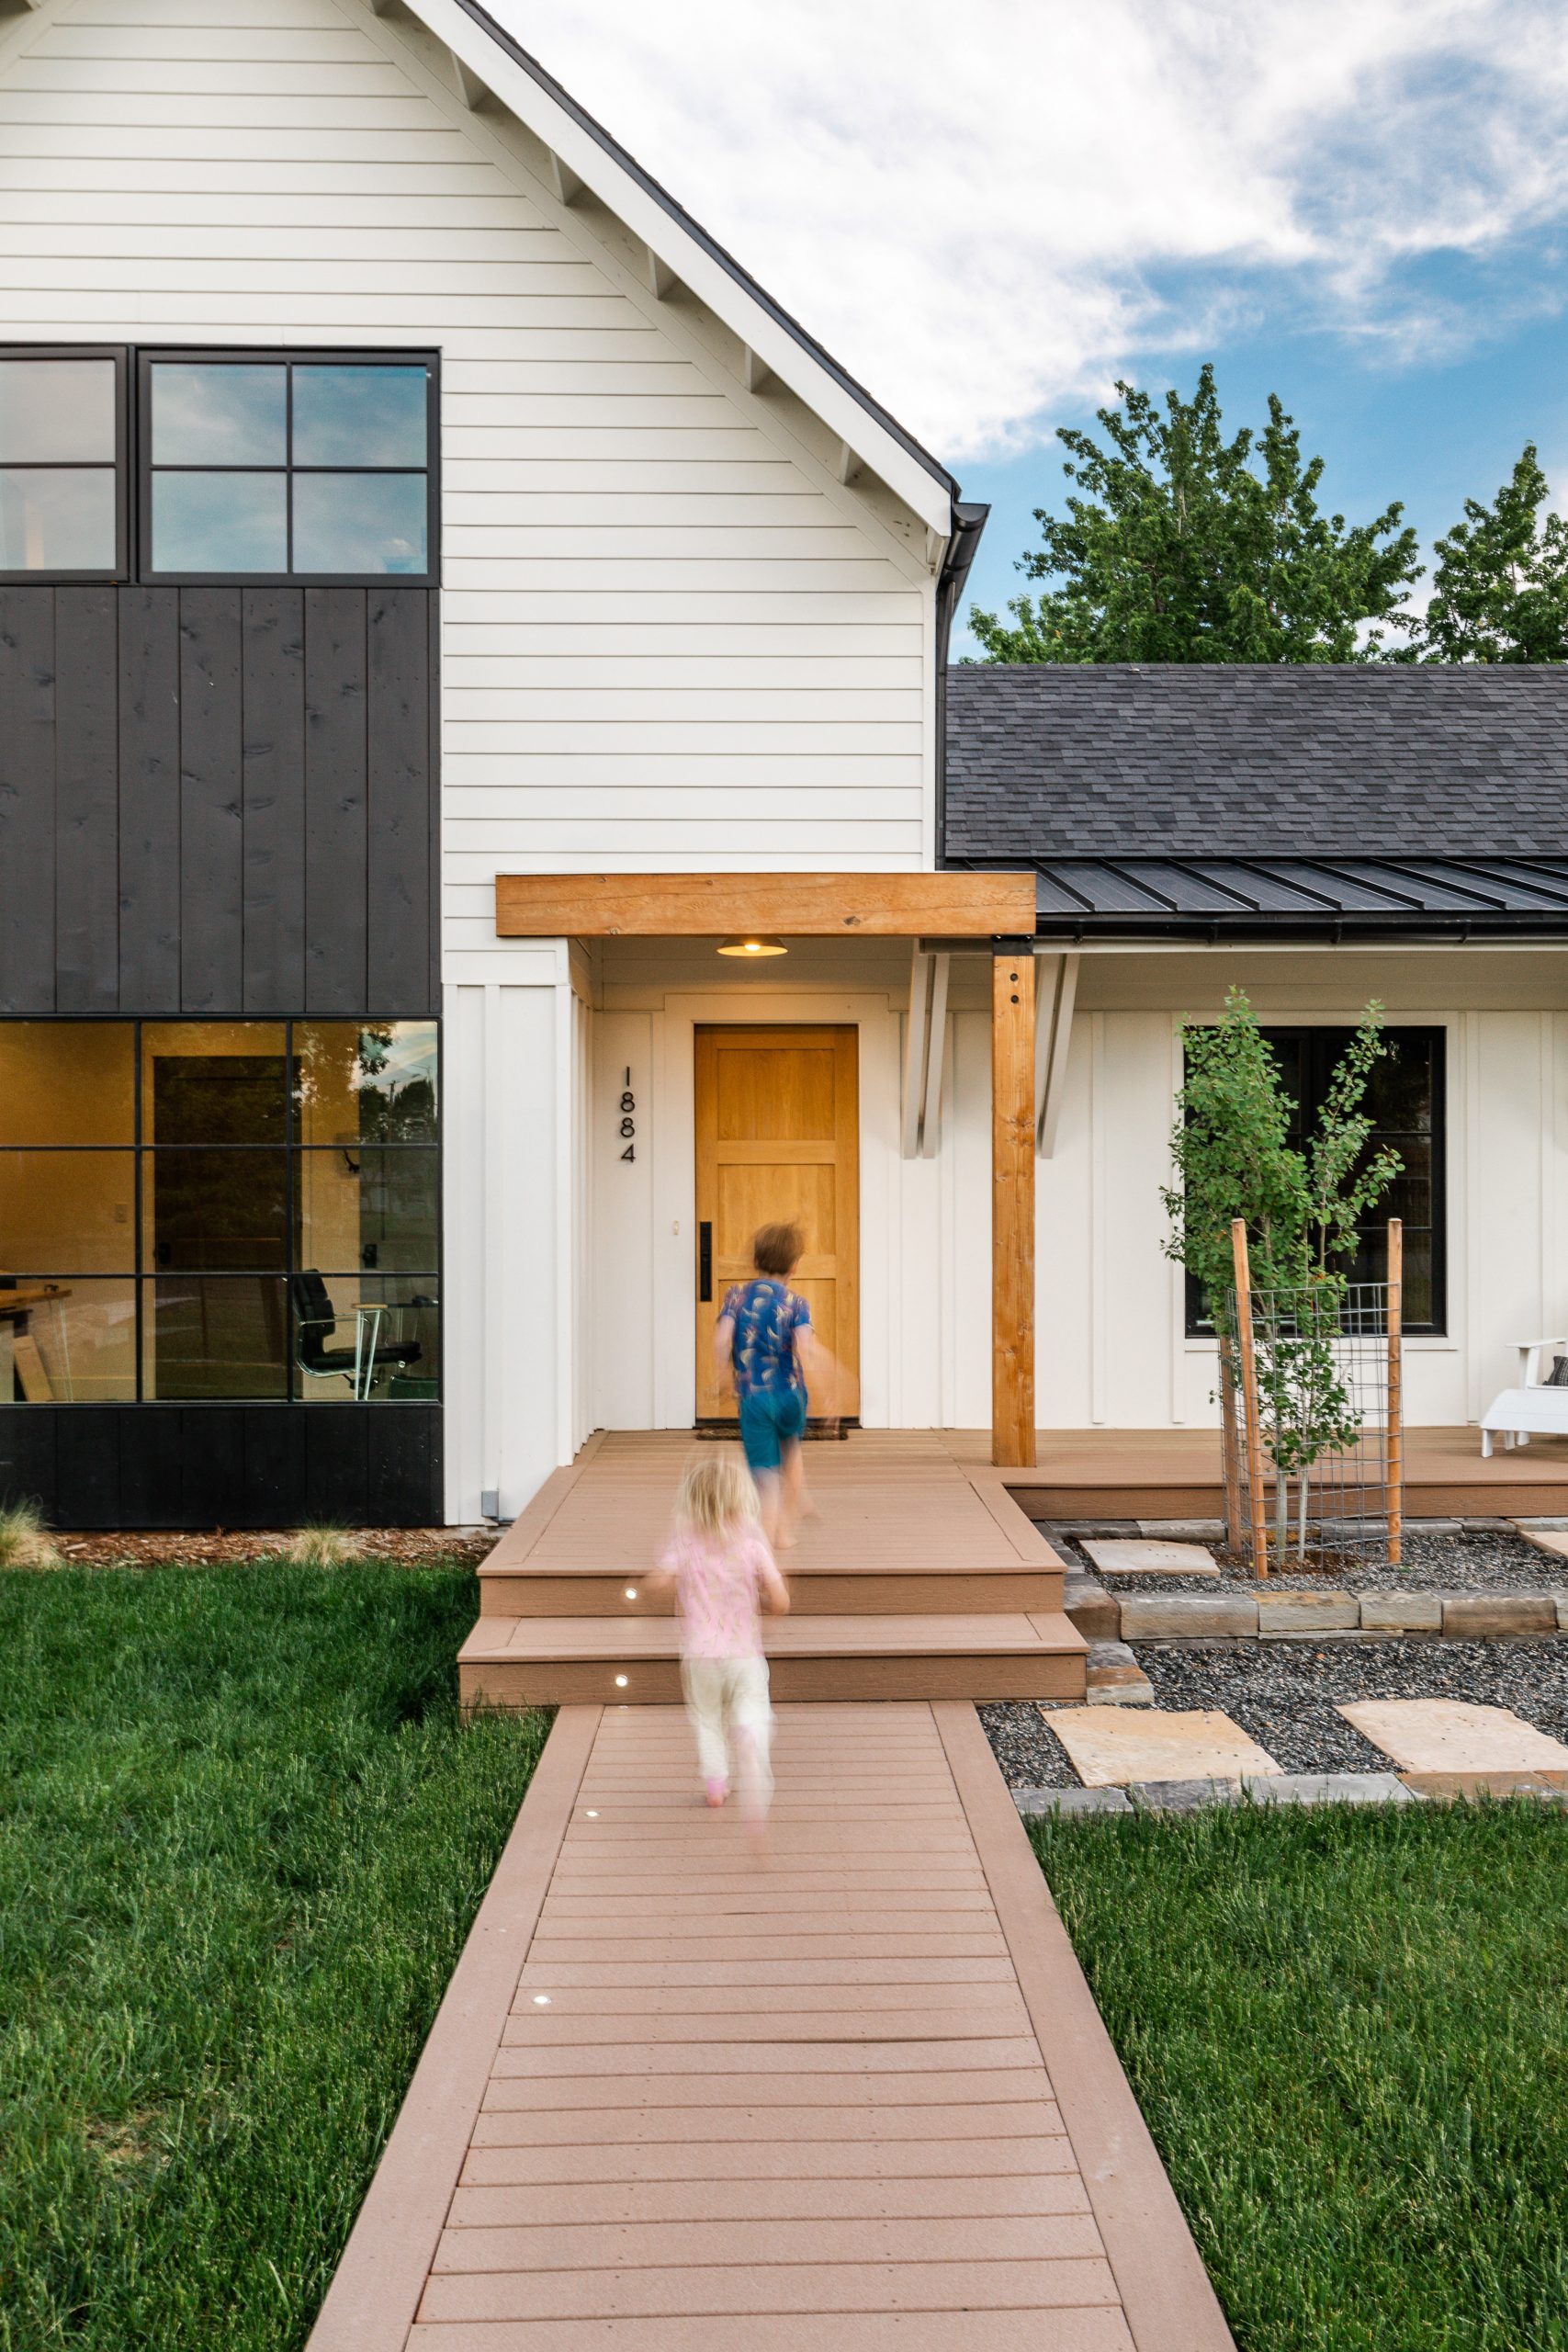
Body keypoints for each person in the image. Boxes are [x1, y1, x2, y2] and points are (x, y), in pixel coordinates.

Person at [648, 1449, 789, 1838]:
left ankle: (715, 1785)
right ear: (742, 1498)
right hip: (744, 1652)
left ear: (692, 1501)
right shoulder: (751, 1541)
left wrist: (648, 1587)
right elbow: (780, 1600)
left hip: (700, 1656)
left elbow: (657, 1581)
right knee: (751, 1703)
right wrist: (769, 1612)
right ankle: (748, 1733)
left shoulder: (686, 1541)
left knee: (707, 1719)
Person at [711, 1221, 837, 1547]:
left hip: (754, 1399)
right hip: (790, 1395)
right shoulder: (797, 1303)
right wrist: (828, 1393)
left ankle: (764, 1546)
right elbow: (805, 1349)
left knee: (766, 1477)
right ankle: (784, 1530)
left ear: (755, 1261)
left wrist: (722, 1376)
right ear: (795, 1266)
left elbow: (722, 1340)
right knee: (791, 1451)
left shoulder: (736, 1298)